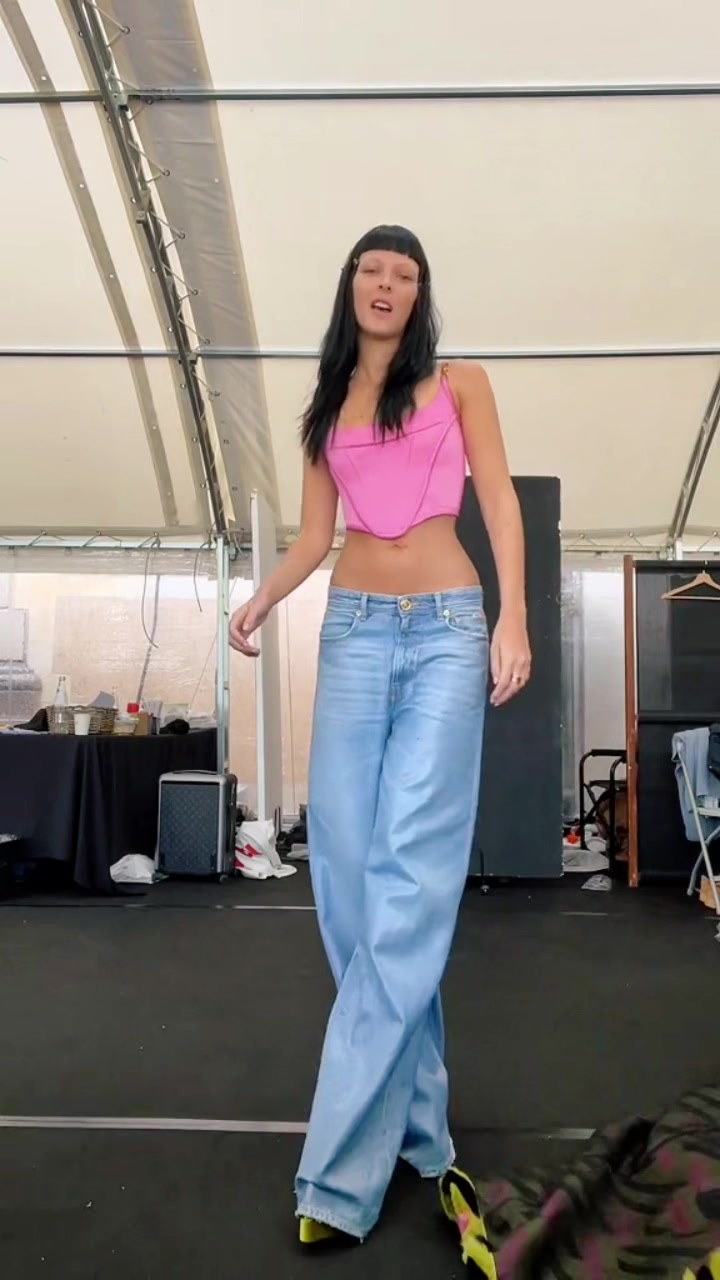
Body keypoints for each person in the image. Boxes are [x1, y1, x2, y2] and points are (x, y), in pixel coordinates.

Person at [229, 225, 530, 1246]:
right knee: (349, 887)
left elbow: (499, 500)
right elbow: (317, 537)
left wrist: (514, 617)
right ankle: (425, 1132)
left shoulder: (462, 382)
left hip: (446, 628)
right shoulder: (326, 407)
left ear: (420, 293)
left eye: (405, 273)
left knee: (412, 877)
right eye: (372, 269)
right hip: (354, 634)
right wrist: (263, 597)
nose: (387, 283)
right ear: (351, 285)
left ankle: (337, 1174)